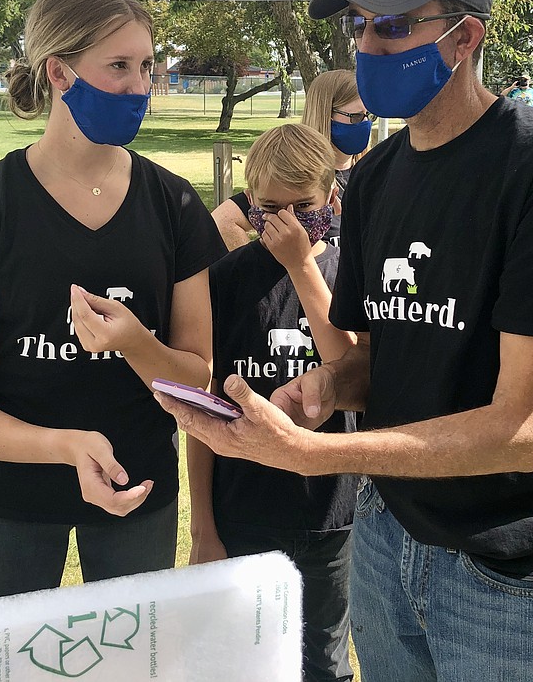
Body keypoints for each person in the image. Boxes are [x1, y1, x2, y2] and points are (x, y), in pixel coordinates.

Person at [159, 0, 533, 682]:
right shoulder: (374, 179)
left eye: (393, 25)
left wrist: (315, 450)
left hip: (508, 562)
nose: (368, 47)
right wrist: (324, 388)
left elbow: (525, 430)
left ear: (465, 36)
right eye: (358, 25)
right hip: (387, 536)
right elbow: (373, 359)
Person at [0, 0, 225, 602]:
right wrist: (66, 448)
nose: (141, 86)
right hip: (12, 501)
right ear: (58, 72)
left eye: (147, 66)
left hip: (139, 492)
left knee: (133, 667)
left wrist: (137, 344)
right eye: (118, 66)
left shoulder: (173, 206)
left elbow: (198, 381)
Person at [188, 124, 358, 682]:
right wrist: (204, 530)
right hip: (244, 513)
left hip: (329, 513)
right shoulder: (223, 282)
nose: (285, 225)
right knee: (244, 660)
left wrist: (300, 266)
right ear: (246, 202)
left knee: (324, 660)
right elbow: (202, 414)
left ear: (331, 199)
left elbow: (349, 367)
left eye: (301, 207)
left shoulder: (348, 274)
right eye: (268, 209)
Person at [211, 70, 373, 250]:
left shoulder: (373, 173)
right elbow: (223, 221)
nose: (365, 123)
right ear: (326, 114)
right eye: (357, 117)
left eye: (369, 116)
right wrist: (257, 270)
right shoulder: (294, 174)